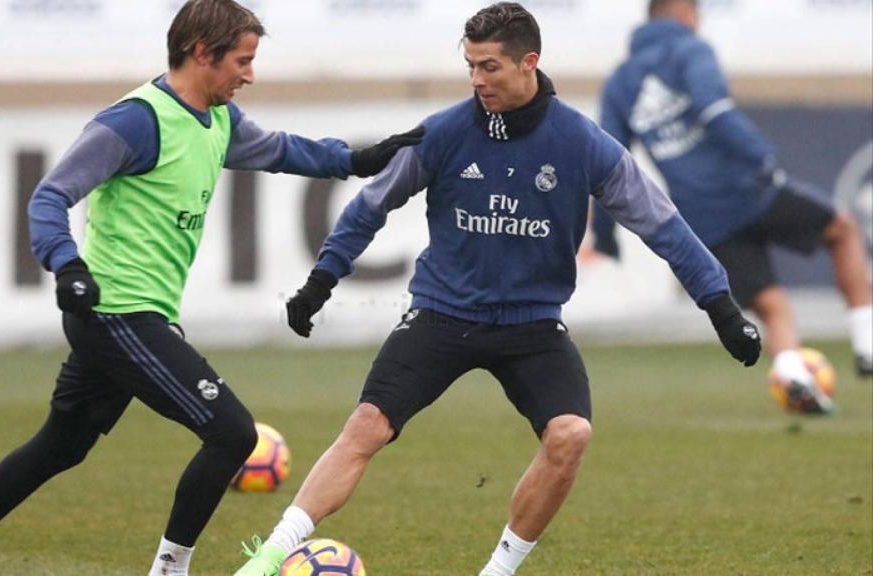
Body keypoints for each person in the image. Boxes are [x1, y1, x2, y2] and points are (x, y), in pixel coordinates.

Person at [233, 3, 761, 575]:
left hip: (531, 325)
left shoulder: (583, 144)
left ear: (529, 62)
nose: (477, 81)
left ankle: (498, 571)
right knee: (366, 426)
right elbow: (369, 205)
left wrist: (721, 308)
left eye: (489, 67)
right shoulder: (443, 132)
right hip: (441, 314)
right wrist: (321, 281)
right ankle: (268, 557)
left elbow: (666, 228)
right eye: (470, 67)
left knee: (571, 435)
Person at [0, 1, 423, 575]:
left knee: (62, 444)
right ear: (202, 53)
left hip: (137, 316)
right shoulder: (137, 120)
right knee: (232, 434)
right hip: (115, 313)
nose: (249, 75)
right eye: (243, 61)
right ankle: (169, 570)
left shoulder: (218, 119)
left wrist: (355, 159)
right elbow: (50, 195)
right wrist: (68, 266)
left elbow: (282, 149)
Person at [592, 0, 873, 413]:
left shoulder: (619, 81)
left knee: (772, 305)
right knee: (843, 229)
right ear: (685, 11)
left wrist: (604, 232)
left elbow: (608, 161)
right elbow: (714, 109)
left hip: (703, 218)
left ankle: (793, 373)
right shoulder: (690, 50)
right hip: (750, 191)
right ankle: (867, 346)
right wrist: (759, 155)